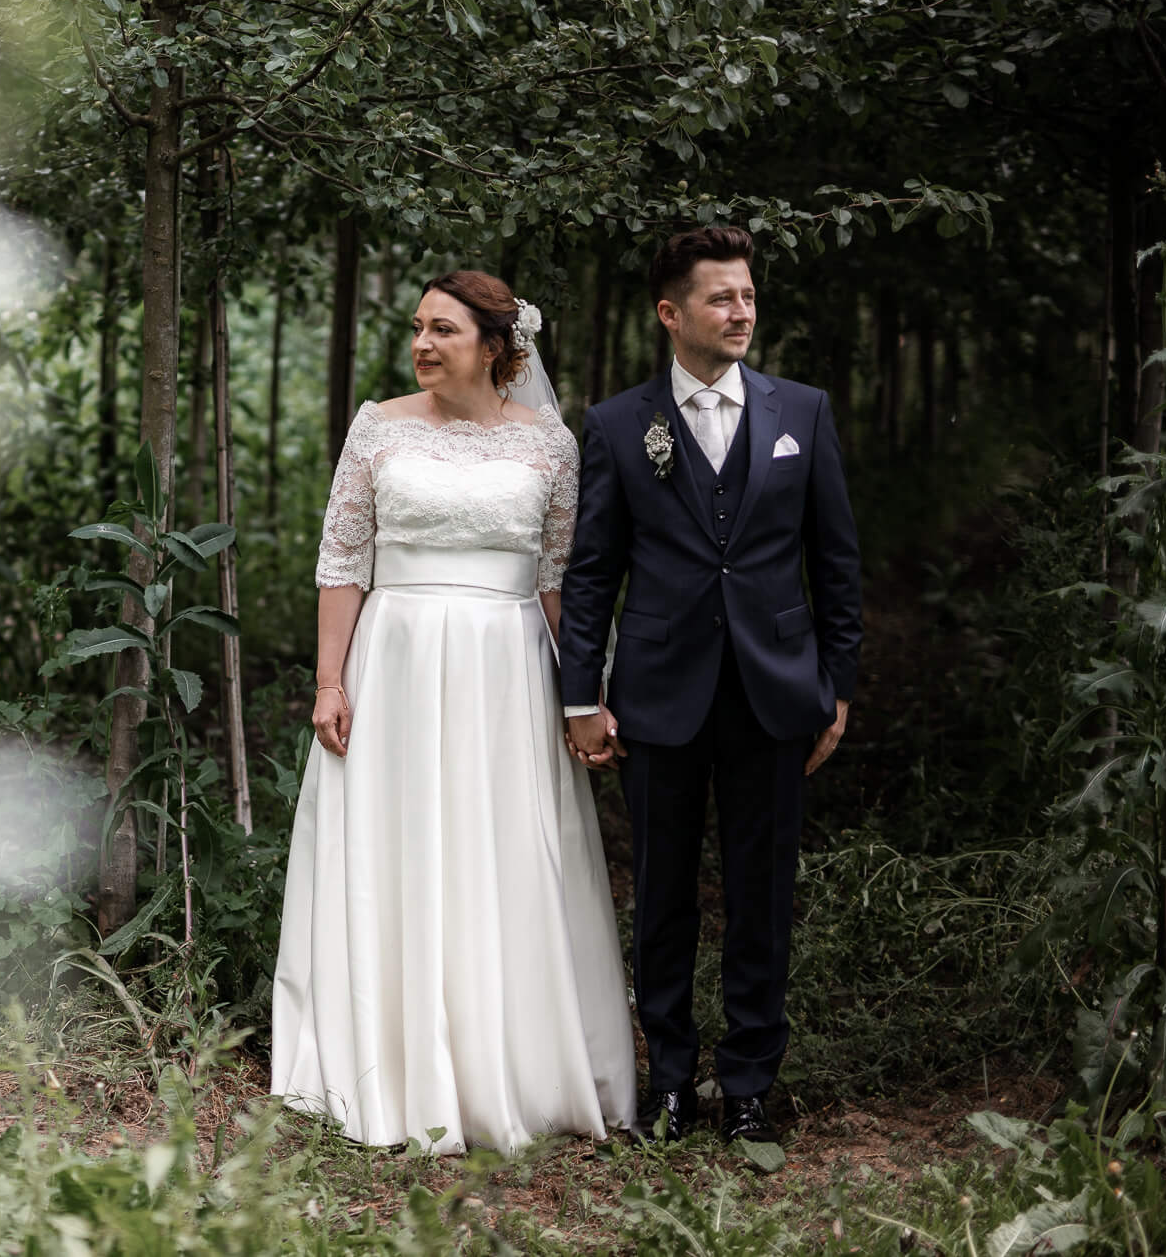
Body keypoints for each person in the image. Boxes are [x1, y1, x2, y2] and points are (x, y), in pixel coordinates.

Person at [270, 269, 636, 1155]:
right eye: (418, 329)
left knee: (503, 849)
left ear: (497, 347)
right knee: (397, 848)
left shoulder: (549, 445)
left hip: (505, 671)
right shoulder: (377, 427)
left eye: (444, 331)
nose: (424, 345)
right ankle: (389, 1066)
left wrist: (586, 695)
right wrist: (329, 681)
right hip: (393, 663)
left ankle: (508, 1062)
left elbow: (559, 584)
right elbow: (343, 561)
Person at [557, 226, 862, 1149]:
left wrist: (836, 685)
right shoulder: (617, 425)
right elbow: (591, 573)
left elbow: (835, 560)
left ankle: (749, 1084)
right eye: (722, 298)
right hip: (657, 693)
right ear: (670, 313)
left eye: (749, 296)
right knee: (662, 895)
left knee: (762, 894)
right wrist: (581, 694)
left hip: (774, 692)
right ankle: (672, 1080)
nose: (742, 312)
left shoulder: (801, 411)